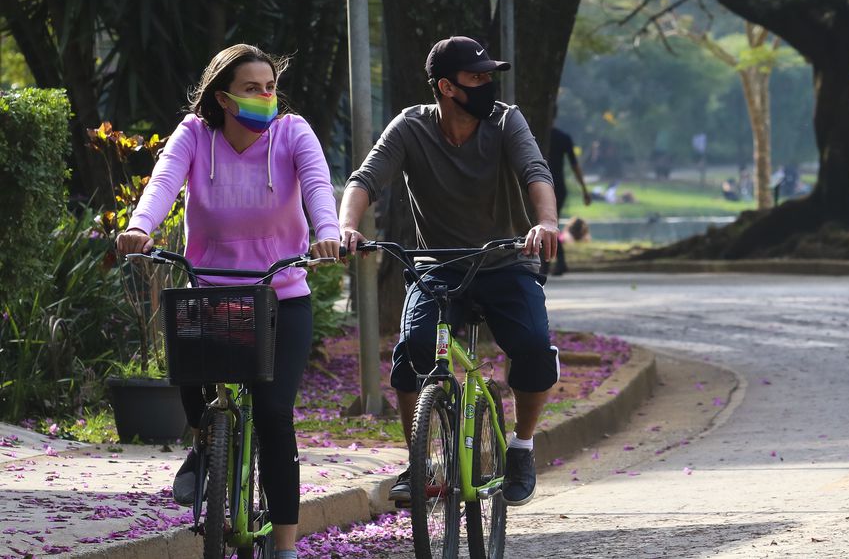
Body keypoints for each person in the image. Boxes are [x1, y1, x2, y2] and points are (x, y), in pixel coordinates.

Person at [115, 44, 341, 559]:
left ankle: (284, 547)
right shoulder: (196, 135)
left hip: (282, 297)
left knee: (274, 414)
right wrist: (139, 227)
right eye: (251, 89)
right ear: (222, 97)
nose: (266, 97)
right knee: (194, 394)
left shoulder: (292, 132)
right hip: (212, 295)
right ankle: (205, 441)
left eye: (270, 87)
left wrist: (327, 233)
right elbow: (163, 183)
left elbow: (317, 188)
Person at [338, 35, 559, 508]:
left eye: (488, 77)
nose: (486, 85)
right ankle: (420, 461)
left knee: (534, 348)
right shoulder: (410, 128)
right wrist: (347, 227)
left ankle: (520, 447)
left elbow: (535, 172)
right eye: (475, 77)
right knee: (413, 351)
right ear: (446, 87)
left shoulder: (505, 120)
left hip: (505, 261)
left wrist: (546, 222)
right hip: (438, 265)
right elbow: (365, 179)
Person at [545, 123, 592, 276]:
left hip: (543, 185)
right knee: (551, 223)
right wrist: (584, 189)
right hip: (558, 187)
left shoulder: (537, 135)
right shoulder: (563, 137)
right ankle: (555, 261)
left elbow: (574, 165)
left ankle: (551, 262)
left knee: (545, 223)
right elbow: (575, 165)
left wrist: (585, 190)